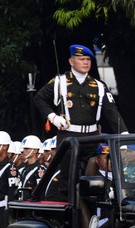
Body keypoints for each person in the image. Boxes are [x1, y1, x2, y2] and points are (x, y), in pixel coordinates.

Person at [34, 44, 128, 193]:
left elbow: (111, 111)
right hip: (69, 135)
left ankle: (93, 213)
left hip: (92, 137)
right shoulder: (60, 82)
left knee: (95, 178)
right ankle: (70, 213)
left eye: (88, 59)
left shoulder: (98, 85)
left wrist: (124, 134)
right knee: (68, 180)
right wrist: (53, 117)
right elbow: (39, 98)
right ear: (71, 61)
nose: (86, 62)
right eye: (81, 59)